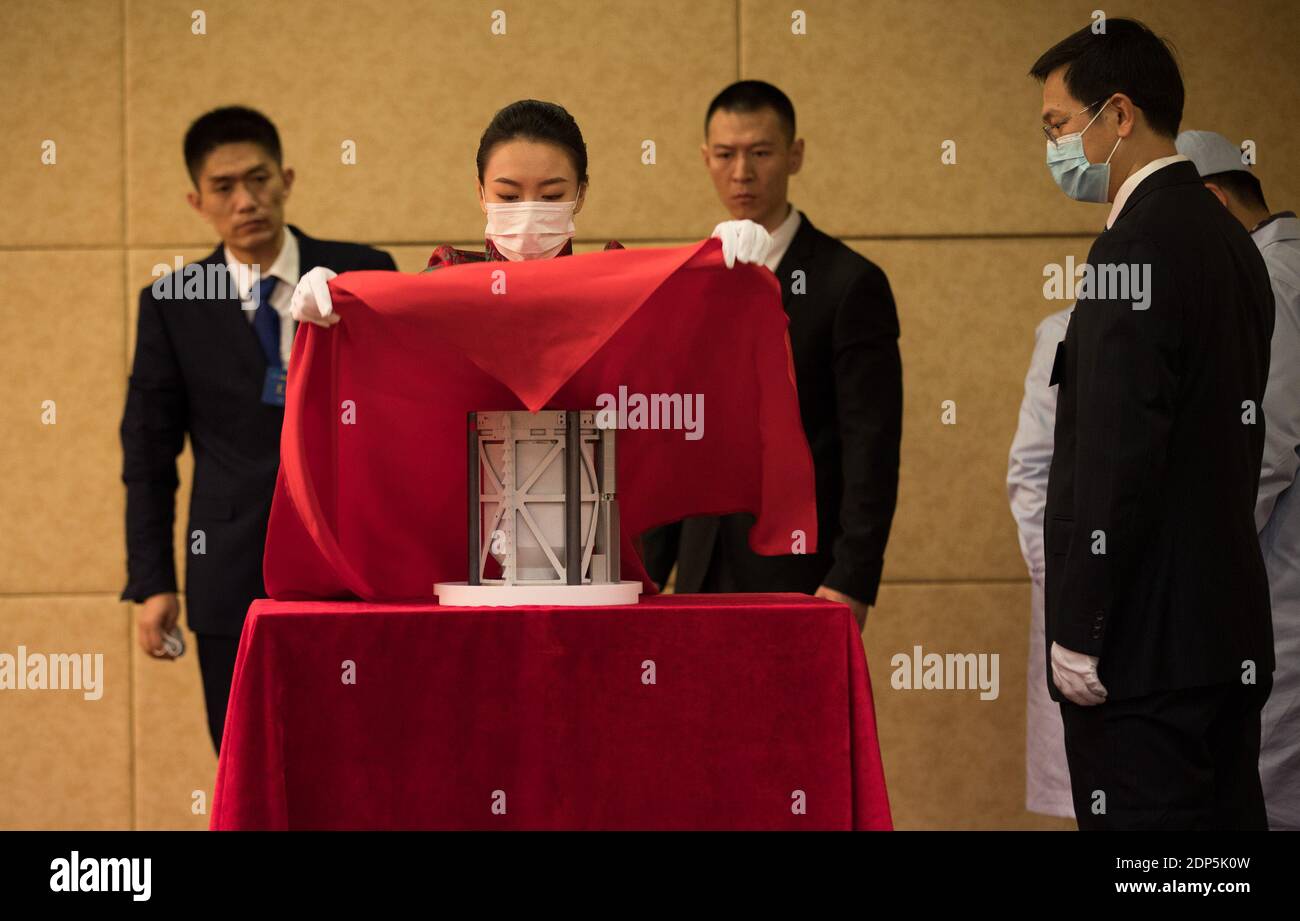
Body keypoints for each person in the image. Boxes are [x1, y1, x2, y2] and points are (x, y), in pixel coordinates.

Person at [1031, 20, 1275, 829]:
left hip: (1141, 655)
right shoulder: (1234, 243)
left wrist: (1080, 625)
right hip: (1223, 632)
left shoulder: (1133, 247)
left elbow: (1116, 452)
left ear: (1120, 115)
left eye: (1060, 126)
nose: (1056, 149)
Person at [120, 106, 397, 754]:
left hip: (354, 561)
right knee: (253, 764)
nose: (246, 201)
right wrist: (153, 582)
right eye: (224, 188)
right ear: (198, 200)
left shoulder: (362, 272)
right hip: (228, 571)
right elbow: (149, 455)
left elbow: (402, 415)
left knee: (367, 758)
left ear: (287, 178)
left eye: (259, 179)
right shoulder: (170, 303)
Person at [641, 80, 902, 632]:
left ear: (794, 154)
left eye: (760, 153)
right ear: (704, 159)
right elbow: (674, 430)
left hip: (803, 567)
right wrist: (645, 567)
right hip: (701, 558)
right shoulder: (690, 282)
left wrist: (854, 574)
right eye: (725, 154)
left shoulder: (848, 283)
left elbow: (870, 442)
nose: (742, 173)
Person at [292, 99, 773, 325]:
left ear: (580, 194)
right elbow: (387, 344)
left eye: (550, 195)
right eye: (507, 195)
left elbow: (687, 347)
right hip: (468, 513)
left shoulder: (614, 279)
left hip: (598, 509)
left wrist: (719, 273)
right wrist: (339, 310)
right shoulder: (444, 281)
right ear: (480, 193)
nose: (527, 213)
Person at [1176, 129, 1300, 830]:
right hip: (1269, 589)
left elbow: (1264, 452)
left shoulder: (1273, 283)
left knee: (1268, 800)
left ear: (1213, 204)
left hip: (1278, 595)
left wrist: (1185, 564)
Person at [1007, 305, 1076, 820]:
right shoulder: (1064, 333)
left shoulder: (1214, 323)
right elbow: (1031, 472)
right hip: (1079, 593)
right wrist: (1063, 586)